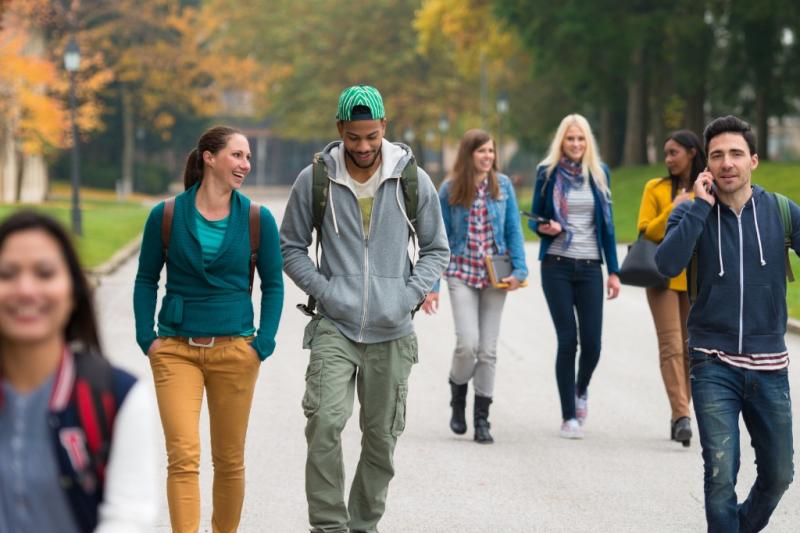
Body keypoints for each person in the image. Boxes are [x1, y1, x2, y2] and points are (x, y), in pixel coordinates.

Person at [280, 85, 449, 532]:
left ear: (384, 128)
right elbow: (290, 247)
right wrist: (327, 290)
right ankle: (329, 527)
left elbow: (436, 248)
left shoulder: (412, 178)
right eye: (354, 137)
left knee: (381, 440)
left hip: (393, 331)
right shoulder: (315, 179)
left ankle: (364, 526)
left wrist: (408, 295)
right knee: (324, 425)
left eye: (372, 136)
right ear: (339, 130)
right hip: (335, 325)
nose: (363, 147)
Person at [133, 125, 284, 533]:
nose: (245, 165)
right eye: (237, 155)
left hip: (236, 351)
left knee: (229, 459)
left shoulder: (257, 218)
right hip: (176, 351)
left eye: (248, 157)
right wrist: (147, 338)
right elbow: (147, 278)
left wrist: (262, 344)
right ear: (209, 158)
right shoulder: (165, 215)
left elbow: (273, 283)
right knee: (183, 456)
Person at [656, 115, 797, 532]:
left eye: (736, 153)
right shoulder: (692, 213)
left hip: (770, 368)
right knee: (720, 476)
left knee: (779, 475)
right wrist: (700, 208)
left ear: (753, 160)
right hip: (713, 364)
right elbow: (666, 263)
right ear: (707, 165)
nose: (727, 163)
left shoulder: (781, 212)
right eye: (717, 155)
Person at [0, 211, 157, 533]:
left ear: (73, 291)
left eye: (45, 274)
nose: (26, 289)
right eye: (7, 274)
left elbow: (128, 518)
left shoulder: (119, 396)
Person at [421, 128, 527, 444]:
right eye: (482, 151)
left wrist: (520, 270)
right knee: (467, 343)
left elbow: (513, 231)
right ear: (469, 154)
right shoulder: (450, 189)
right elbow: (434, 240)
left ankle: (482, 418)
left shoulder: (503, 186)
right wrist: (432, 286)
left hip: (496, 276)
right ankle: (458, 397)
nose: (488, 157)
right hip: (461, 272)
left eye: (491, 152)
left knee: (488, 349)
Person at [528, 113, 620, 439]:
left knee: (592, 344)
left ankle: (581, 389)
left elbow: (607, 228)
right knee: (568, 340)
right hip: (556, 264)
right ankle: (569, 416)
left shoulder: (599, 174)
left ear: (588, 142)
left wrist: (614, 273)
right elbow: (533, 219)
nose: (576, 144)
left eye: (581, 139)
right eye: (570, 139)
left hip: (591, 268)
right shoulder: (547, 173)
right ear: (561, 142)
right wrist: (544, 227)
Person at [636, 130, 706, 446]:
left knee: (693, 348)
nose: (668, 159)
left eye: (673, 152)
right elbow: (646, 231)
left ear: (692, 152)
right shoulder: (655, 187)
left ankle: (682, 412)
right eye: (665, 153)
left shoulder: (707, 187)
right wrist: (675, 206)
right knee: (671, 345)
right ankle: (681, 415)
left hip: (696, 278)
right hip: (661, 277)